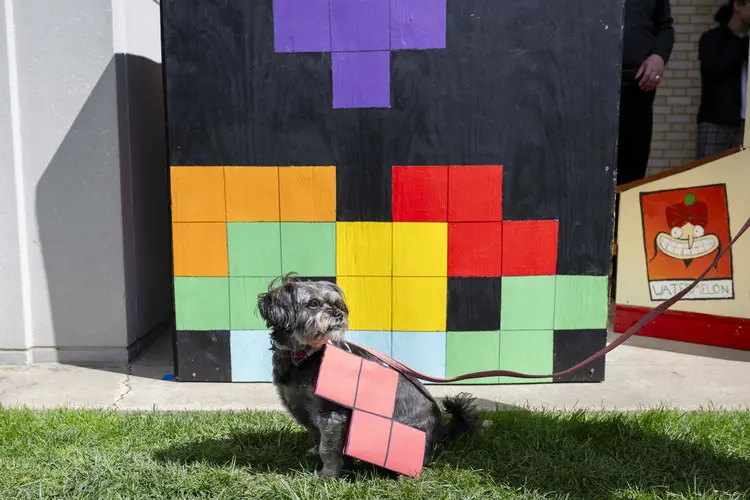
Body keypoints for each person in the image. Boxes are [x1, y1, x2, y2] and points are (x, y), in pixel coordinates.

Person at [617, 0, 675, 185]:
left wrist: (659, 56)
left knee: (632, 169)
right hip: (589, 88)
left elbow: (665, 27)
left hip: (637, 87)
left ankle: (624, 214)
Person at [696, 0, 750, 159]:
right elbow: (714, 71)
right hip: (717, 122)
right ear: (738, 5)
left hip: (745, 125)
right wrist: (743, 44)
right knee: (709, 178)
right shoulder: (713, 39)